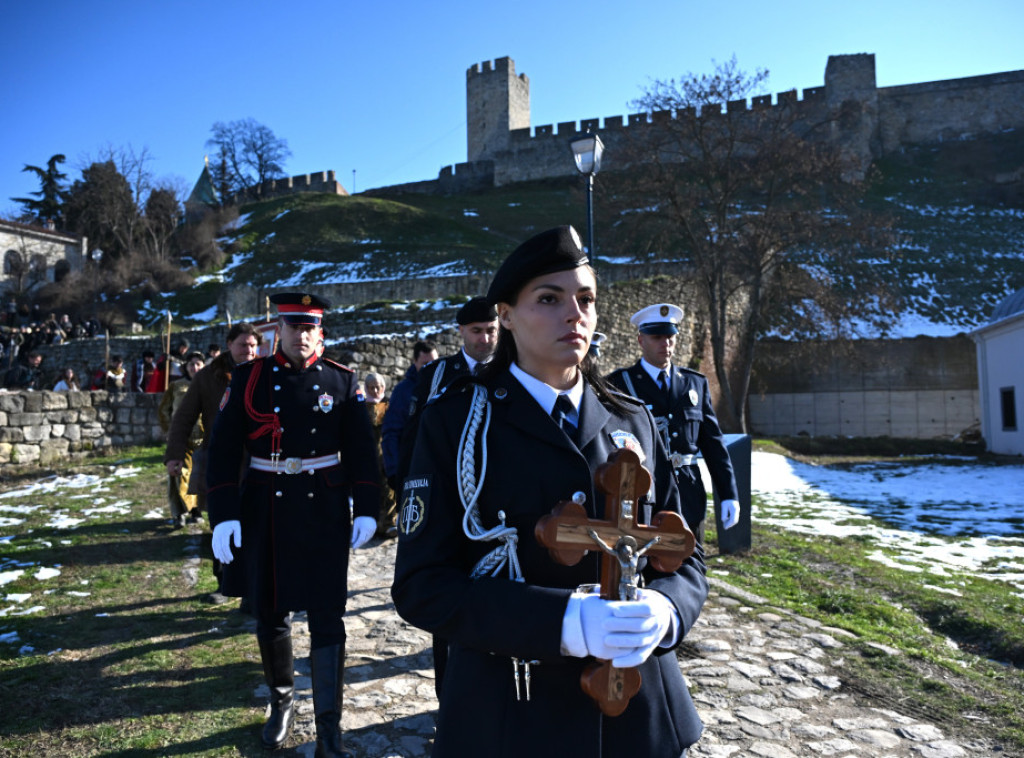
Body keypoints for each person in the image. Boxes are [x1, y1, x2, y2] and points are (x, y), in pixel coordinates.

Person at [392, 225, 708, 758]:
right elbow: (422, 585)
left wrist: (667, 610)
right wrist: (563, 622)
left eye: (586, 299)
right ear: (506, 316)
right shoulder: (455, 423)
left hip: (637, 713)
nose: (574, 314)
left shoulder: (632, 420)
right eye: (549, 298)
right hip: (514, 712)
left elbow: (685, 554)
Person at [206, 293, 381, 757]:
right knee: (271, 611)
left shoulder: (342, 381)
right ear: (278, 330)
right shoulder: (249, 379)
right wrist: (223, 515)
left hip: (324, 510)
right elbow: (221, 451)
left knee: (328, 616)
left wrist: (368, 507)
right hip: (266, 507)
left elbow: (362, 451)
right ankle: (281, 701)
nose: (302, 335)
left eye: (310, 328)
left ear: (320, 332)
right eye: (294, 327)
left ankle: (329, 728)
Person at [606, 303, 741, 545]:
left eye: (670, 337)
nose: (665, 344)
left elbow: (713, 443)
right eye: (657, 337)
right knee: (647, 558)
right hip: (644, 492)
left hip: (688, 492)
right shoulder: (620, 384)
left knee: (691, 556)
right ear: (641, 340)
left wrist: (729, 493)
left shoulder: (694, 383)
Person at [164, 322, 263, 603]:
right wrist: (174, 454)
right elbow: (184, 417)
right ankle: (226, 584)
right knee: (223, 523)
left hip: (259, 462)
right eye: (243, 345)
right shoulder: (208, 377)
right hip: (221, 462)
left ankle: (254, 587)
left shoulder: (266, 372)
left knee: (256, 526)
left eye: (253, 346)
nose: (249, 350)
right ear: (229, 344)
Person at [380, 340, 437, 492]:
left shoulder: (446, 387)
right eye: (425, 364)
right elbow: (391, 431)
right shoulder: (403, 391)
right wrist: (393, 470)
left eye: (434, 363)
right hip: (411, 470)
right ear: (415, 362)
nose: (431, 368)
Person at [158, 351, 206, 528]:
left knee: (198, 477)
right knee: (178, 476)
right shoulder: (176, 386)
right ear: (186, 366)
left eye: (198, 364)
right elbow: (164, 410)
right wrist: (170, 431)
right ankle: (178, 513)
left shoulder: (209, 385)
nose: (195, 367)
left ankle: (196, 510)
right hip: (181, 439)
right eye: (191, 364)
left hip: (203, 440)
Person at [362, 372, 397, 538]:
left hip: (386, 454)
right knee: (371, 491)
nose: (375, 391)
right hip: (368, 456)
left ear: (383, 387)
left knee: (389, 490)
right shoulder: (361, 407)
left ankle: (390, 524)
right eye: (372, 387)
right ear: (366, 388)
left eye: (378, 387)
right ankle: (374, 525)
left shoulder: (390, 405)